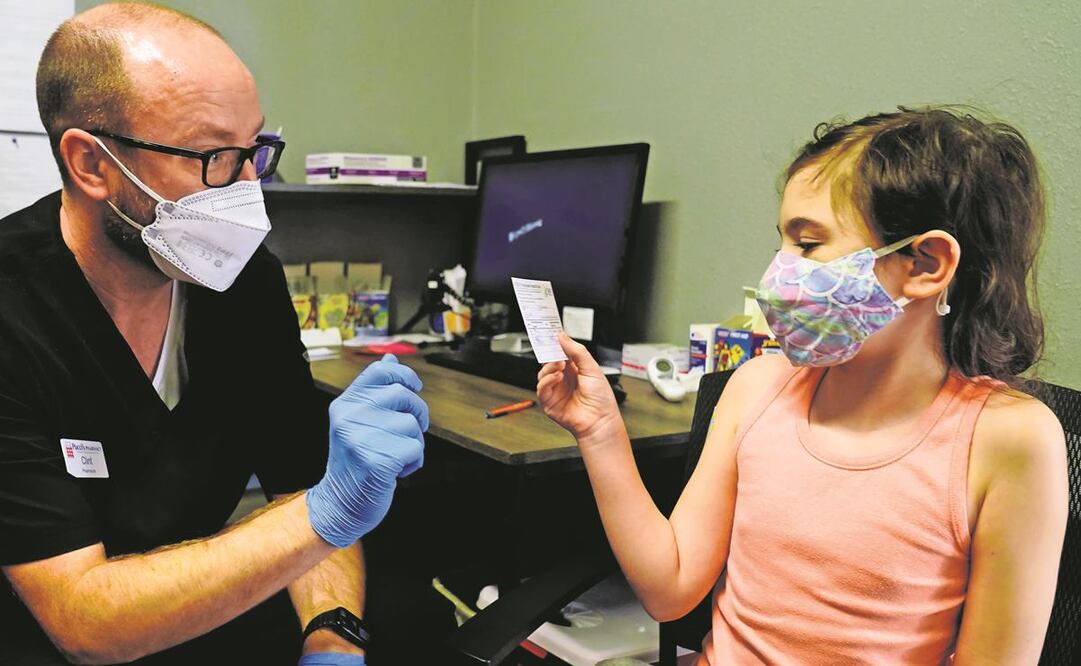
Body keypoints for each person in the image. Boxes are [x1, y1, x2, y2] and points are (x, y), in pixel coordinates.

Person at [538, 107, 1069, 664]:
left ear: (925, 264)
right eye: (782, 244)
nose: (777, 275)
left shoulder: (1010, 440)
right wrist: (600, 430)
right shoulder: (758, 387)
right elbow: (669, 589)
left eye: (809, 245)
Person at [0, 4, 425, 664]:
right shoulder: (13, 316)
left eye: (255, 148)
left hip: (196, 612)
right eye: (215, 157)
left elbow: (296, 485)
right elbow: (82, 618)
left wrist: (332, 633)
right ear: (92, 164)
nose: (250, 189)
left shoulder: (245, 286)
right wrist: (325, 510)